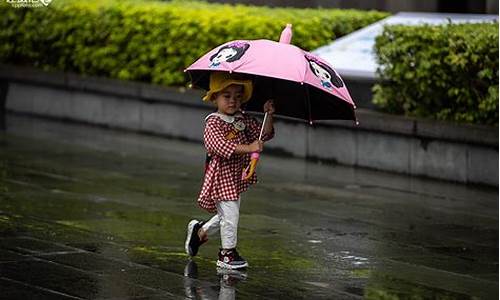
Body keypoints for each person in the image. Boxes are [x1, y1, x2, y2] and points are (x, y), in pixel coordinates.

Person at [185, 71, 275, 270]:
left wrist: (269, 114)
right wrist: (249, 148)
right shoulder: (213, 122)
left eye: (237, 96)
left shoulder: (243, 119)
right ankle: (227, 254)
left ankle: (200, 231)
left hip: (236, 175)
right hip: (221, 175)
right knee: (231, 215)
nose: (233, 101)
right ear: (215, 97)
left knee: (228, 214)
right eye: (227, 96)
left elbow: (264, 134)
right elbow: (218, 145)